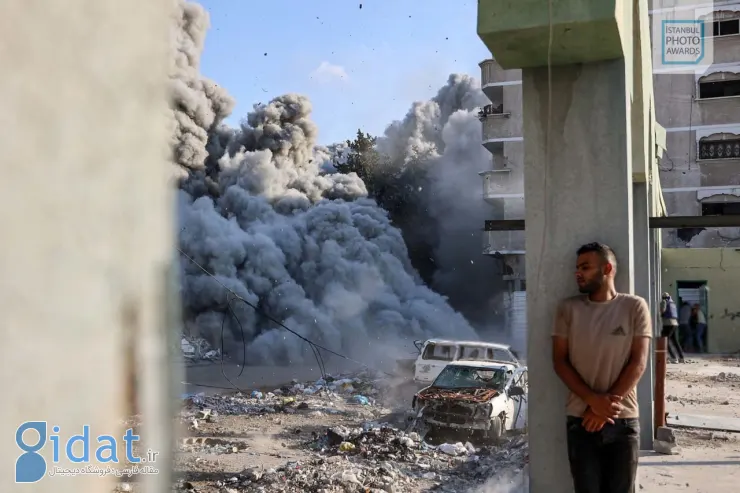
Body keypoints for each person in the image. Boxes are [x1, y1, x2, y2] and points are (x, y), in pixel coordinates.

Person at [552, 242, 651, 493]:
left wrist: (604, 407)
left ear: (607, 269)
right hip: (581, 421)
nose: (578, 273)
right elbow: (560, 361)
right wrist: (592, 401)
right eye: (577, 268)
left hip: (623, 420)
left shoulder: (635, 307)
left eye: (585, 267)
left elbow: (638, 362)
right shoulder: (568, 309)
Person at [661, 293, 685, 363]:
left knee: (665, 341)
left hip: (667, 323)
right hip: (675, 323)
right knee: (675, 341)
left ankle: (673, 357)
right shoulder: (672, 303)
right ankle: (681, 357)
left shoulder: (664, 301)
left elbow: (662, 310)